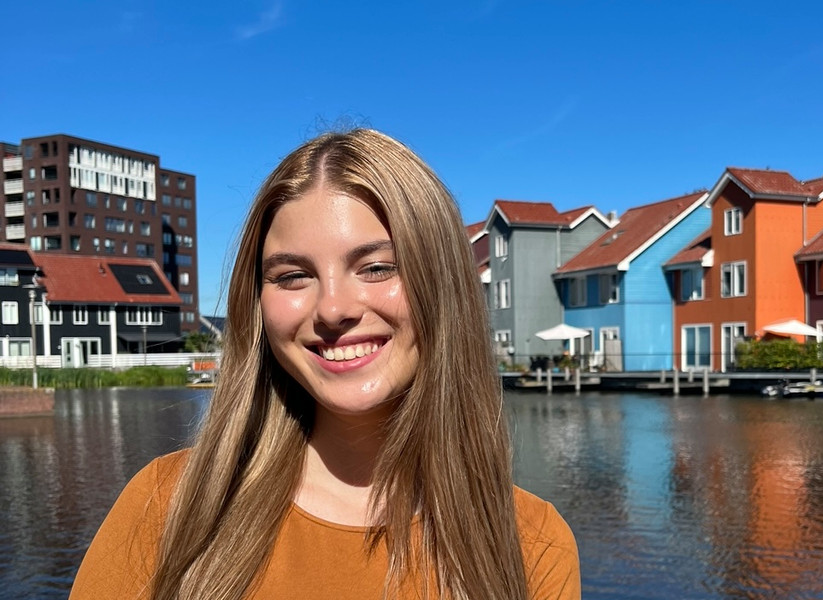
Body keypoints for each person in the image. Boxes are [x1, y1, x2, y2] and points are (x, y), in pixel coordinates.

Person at [69, 129, 580, 599]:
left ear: (444, 284)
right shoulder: (168, 508)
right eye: (292, 276)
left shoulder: (531, 544)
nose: (333, 308)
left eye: (377, 267)